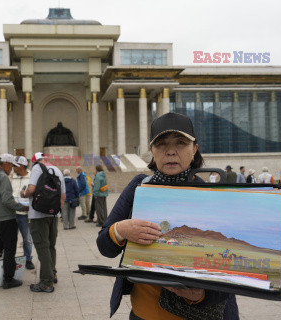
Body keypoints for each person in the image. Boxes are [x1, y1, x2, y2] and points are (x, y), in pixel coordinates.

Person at [97, 112, 239, 319]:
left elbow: (228, 268)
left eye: (181, 143)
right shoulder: (138, 187)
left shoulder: (212, 197)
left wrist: (200, 294)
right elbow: (104, 246)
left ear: (194, 149)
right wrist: (120, 230)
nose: (171, 151)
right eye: (161, 143)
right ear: (152, 151)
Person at [20, 152, 66, 293]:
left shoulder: (37, 168)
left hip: (38, 215)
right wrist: (56, 212)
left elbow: (32, 189)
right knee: (51, 246)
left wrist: (23, 194)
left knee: (42, 247)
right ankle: (53, 273)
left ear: (34, 161)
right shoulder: (57, 170)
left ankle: (46, 282)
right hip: (53, 214)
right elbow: (63, 196)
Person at [0, 153, 29, 289]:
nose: (12, 169)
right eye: (11, 165)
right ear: (5, 164)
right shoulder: (3, 177)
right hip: (6, 220)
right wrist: (23, 207)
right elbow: (6, 199)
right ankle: (8, 279)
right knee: (10, 250)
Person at [10, 156, 35, 270]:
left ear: (22, 166)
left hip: (25, 214)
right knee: (11, 239)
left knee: (27, 238)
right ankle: (11, 259)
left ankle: (28, 259)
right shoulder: (12, 177)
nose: (13, 168)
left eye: (15, 166)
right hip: (12, 212)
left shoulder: (32, 178)